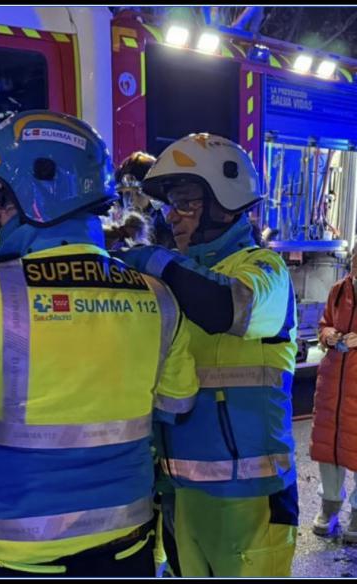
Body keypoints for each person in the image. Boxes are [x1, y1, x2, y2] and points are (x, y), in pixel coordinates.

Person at [0, 110, 199, 577]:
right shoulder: (157, 297)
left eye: (0, 198)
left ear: (38, 192)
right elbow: (178, 405)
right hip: (126, 545)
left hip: (17, 551)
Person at [115, 133, 299, 577]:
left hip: (252, 499)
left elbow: (225, 307)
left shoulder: (263, 270)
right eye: (169, 205)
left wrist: (156, 261)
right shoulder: (180, 281)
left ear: (225, 201)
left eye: (185, 203)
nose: (172, 217)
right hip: (183, 493)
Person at [310, 246, 357, 542]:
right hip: (333, 385)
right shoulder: (339, 289)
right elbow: (324, 323)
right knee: (330, 448)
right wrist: (328, 335)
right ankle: (329, 505)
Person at [114, 151, 174, 249]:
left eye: (138, 193)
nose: (131, 201)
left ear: (155, 197)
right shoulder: (114, 237)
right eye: (127, 194)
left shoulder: (172, 235)